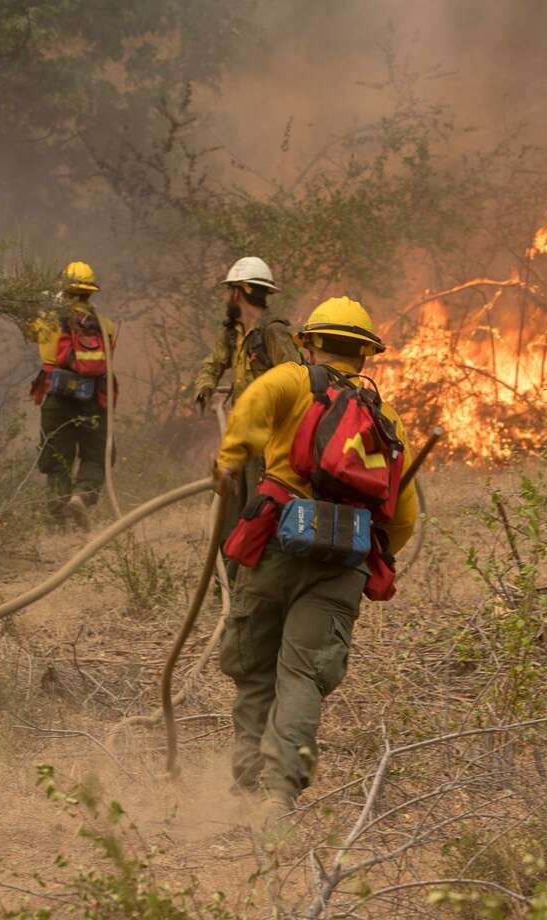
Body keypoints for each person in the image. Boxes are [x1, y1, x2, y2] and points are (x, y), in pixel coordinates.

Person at [213, 296, 418, 813]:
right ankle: (279, 797)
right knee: (303, 675)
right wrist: (368, 550)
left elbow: (252, 407)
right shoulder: (385, 416)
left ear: (310, 342)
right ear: (365, 356)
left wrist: (229, 461)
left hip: (276, 543)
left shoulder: (293, 379)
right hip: (342, 560)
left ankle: (245, 786)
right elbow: (403, 515)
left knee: (257, 669)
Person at [194, 257, 299, 572]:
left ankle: (258, 579)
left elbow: (296, 377)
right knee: (227, 505)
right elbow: (213, 363)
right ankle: (227, 580)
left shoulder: (273, 333)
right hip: (241, 437)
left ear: (239, 292)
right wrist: (205, 385)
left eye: (229, 291)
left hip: (269, 441)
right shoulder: (232, 334)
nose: (227, 297)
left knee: (260, 509)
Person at [28, 261, 117, 531]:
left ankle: (58, 526)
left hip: (58, 398)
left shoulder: (46, 321)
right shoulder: (105, 325)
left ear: (64, 290)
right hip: (94, 398)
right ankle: (83, 495)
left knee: (57, 459)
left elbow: (31, 332)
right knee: (98, 454)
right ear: (90, 292)